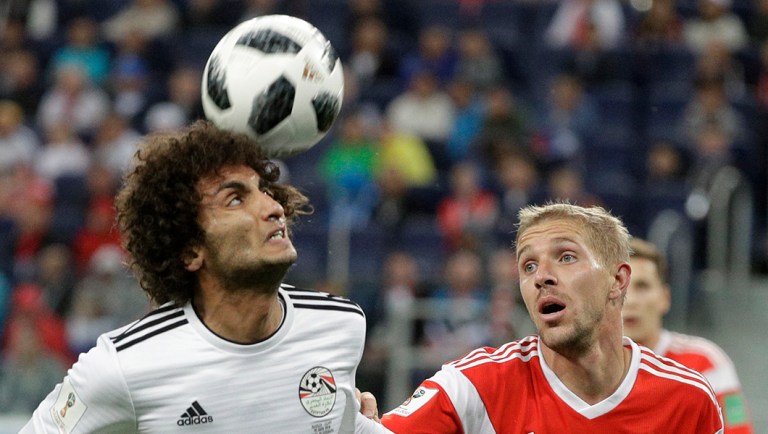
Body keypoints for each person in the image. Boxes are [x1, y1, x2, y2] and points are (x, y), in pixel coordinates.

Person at [21, 120, 380, 433]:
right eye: (235, 199)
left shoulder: (340, 325)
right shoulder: (121, 368)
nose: (273, 208)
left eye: (265, 191)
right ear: (191, 251)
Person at [368, 202, 723, 432]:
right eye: (528, 265)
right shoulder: (476, 386)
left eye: (566, 257)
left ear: (617, 280)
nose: (541, 277)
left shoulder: (687, 401)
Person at [623, 237, 753, 433]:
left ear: (665, 298)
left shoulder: (706, 361)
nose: (631, 300)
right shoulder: (584, 365)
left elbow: (738, 429)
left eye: (642, 286)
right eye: (621, 286)